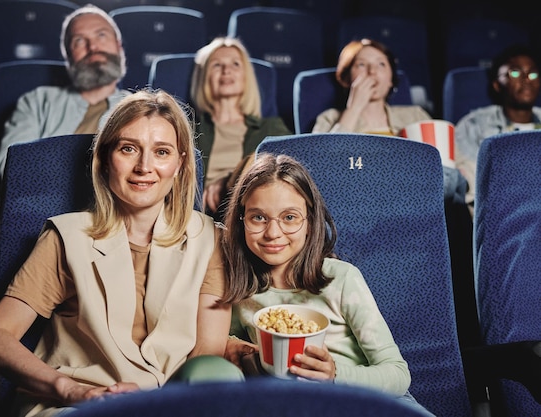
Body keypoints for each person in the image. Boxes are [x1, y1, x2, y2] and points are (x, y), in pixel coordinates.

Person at [0, 89, 242, 417]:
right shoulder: (66, 236)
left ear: (179, 164)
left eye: (161, 152)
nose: (144, 166)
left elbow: (206, 359)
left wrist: (152, 404)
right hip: (74, 404)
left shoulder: (211, 241)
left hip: (169, 405)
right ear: (104, 160)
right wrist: (71, 390)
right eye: (128, 149)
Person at [220, 153, 433, 415]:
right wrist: (230, 344)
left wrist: (335, 375)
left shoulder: (342, 279)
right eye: (258, 218)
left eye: (289, 217)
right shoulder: (241, 288)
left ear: (309, 222)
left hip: (369, 401)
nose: (273, 233)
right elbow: (227, 341)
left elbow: (398, 374)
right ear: (241, 221)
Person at [312, 38, 465, 203]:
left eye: (381, 64)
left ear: (391, 79)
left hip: (417, 203)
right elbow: (321, 170)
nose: (372, 71)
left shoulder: (415, 115)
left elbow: (454, 165)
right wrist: (354, 109)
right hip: (360, 203)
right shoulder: (330, 118)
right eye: (361, 65)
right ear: (347, 78)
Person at [0, 4, 131, 176]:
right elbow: (13, 167)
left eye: (101, 35)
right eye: (79, 41)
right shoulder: (37, 102)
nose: (93, 47)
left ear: (119, 47)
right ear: (68, 55)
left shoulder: (138, 110)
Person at [189, 36, 292, 221]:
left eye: (235, 64)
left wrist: (226, 183)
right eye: (216, 65)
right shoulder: (188, 129)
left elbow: (293, 173)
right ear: (204, 77)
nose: (226, 70)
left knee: (258, 159)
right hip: (200, 218)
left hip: (256, 216)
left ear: (246, 77)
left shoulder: (271, 129)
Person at [455, 43, 541, 210]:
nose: (526, 79)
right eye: (515, 72)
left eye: (533, 74)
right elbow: (470, 180)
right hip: (499, 214)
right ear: (497, 84)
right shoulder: (474, 124)